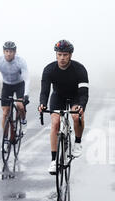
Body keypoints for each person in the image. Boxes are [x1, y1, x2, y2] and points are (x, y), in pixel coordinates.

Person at [38, 40, 89, 175]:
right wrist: (42, 104)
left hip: (75, 96)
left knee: (76, 115)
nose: (62, 58)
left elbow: (84, 93)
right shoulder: (49, 69)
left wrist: (81, 106)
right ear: (56, 55)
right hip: (58, 96)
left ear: (70, 55)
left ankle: (77, 142)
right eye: (59, 54)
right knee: (55, 123)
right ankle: (54, 160)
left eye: (65, 55)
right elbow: (44, 91)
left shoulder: (80, 69)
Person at [0, 41, 30, 137]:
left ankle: (23, 121)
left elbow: (27, 79)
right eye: (7, 51)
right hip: (7, 85)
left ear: (15, 52)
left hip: (19, 84)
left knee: (20, 106)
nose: (9, 53)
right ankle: (5, 140)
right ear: (3, 51)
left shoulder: (20, 61)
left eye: (11, 51)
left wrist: (26, 95)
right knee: (5, 112)